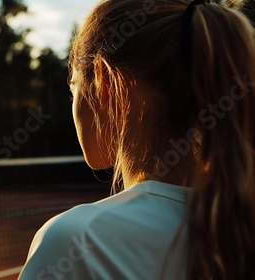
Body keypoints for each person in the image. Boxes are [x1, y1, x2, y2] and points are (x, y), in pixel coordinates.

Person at [18, 0, 255, 279]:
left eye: (74, 91)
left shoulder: (76, 241)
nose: (73, 103)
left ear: (103, 82)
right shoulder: (240, 227)